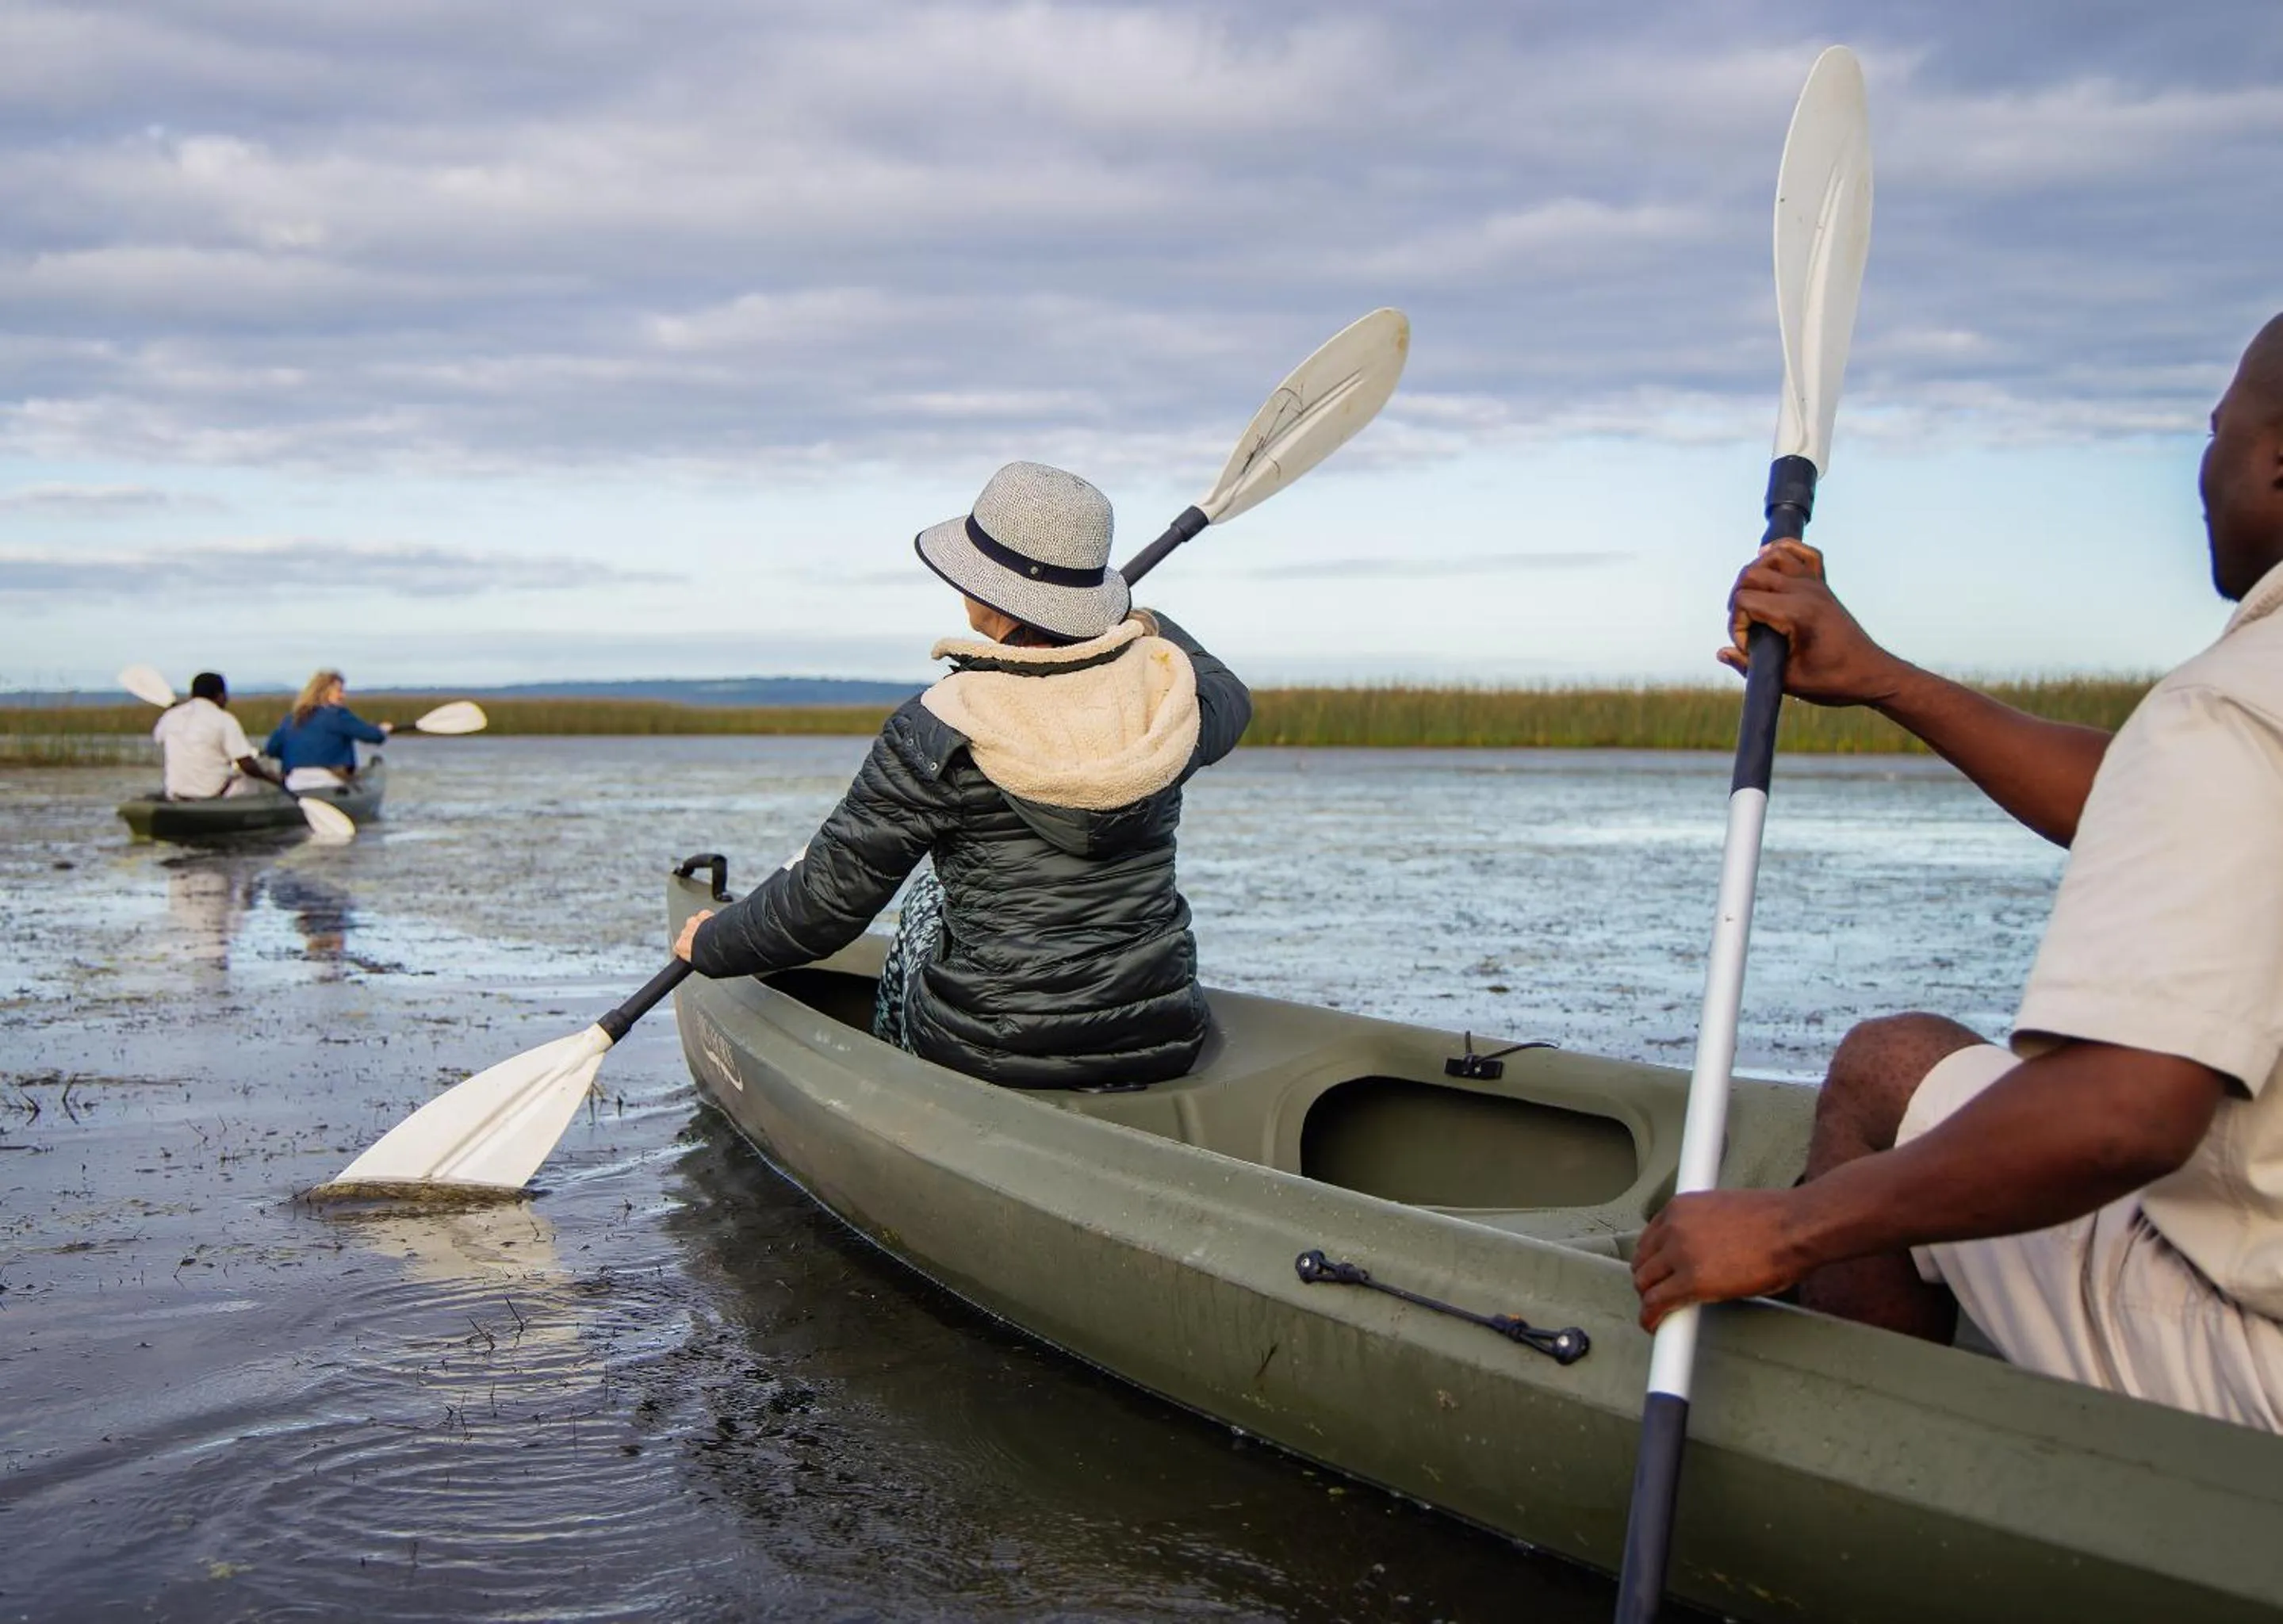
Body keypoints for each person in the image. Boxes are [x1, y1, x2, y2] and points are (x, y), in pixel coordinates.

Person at [1630, 315, 2283, 1431]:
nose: (2201, 464)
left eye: (2217, 428)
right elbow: (2144, 804)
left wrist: (1788, 1228)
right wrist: (1881, 677)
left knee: (1885, 1070)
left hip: (2258, 1365)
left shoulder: (2225, 707)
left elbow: (2123, 1116)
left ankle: (1857, 1470)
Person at [671, 460, 1251, 1089]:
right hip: (1160, 1035)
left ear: (993, 598)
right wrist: (1132, 619)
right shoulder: (1163, 704)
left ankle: (900, 1080)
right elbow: (1225, 690)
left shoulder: (941, 725)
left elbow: (826, 906)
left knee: (925, 897)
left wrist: (713, 943)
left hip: (989, 1048)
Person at [152, 672, 283, 800]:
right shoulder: (224, 720)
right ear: (220, 695)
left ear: (192, 694)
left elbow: (158, 738)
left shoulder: (170, 717)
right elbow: (247, 765)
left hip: (175, 793)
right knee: (255, 783)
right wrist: (270, 778)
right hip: (212, 794)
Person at [264, 669, 392, 792]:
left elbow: (271, 749)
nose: (343, 696)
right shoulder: (338, 715)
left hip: (294, 784)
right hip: (329, 782)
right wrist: (382, 730)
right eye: (339, 691)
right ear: (324, 692)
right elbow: (374, 736)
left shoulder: (292, 718)